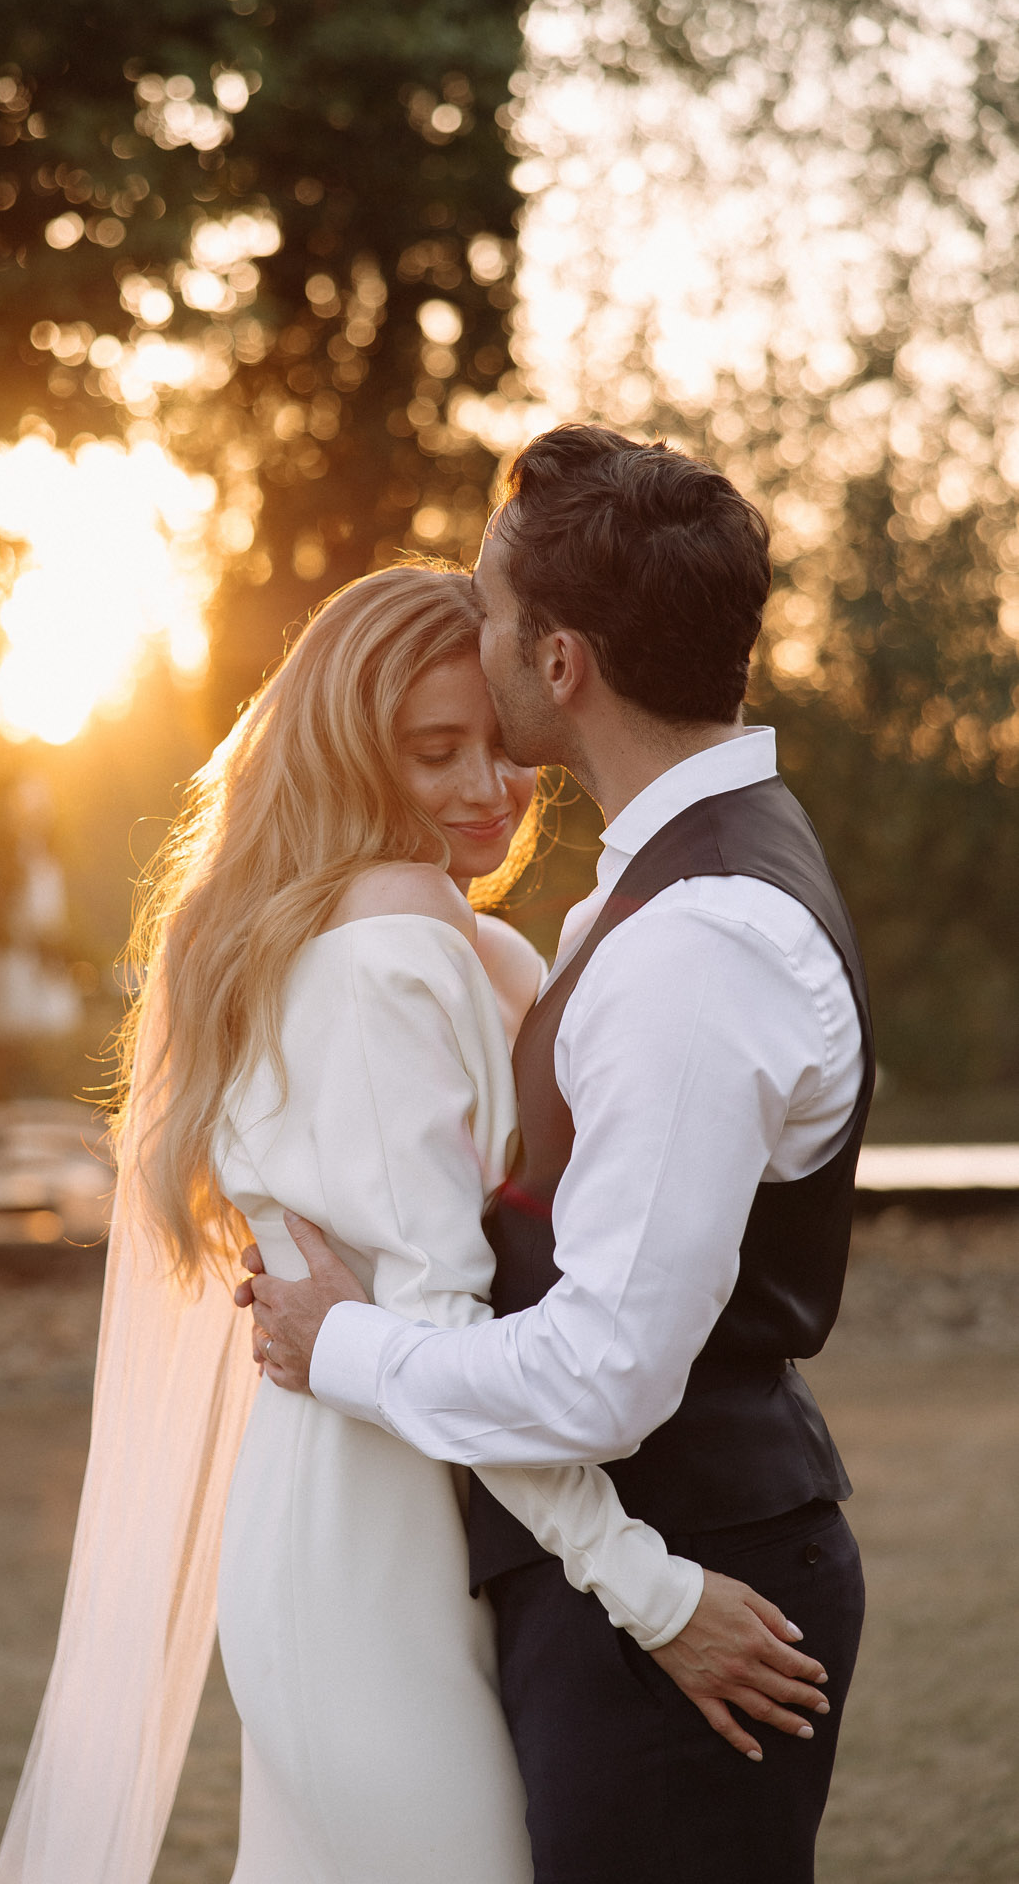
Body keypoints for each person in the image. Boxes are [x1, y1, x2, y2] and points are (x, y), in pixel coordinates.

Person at [0, 559, 827, 1884]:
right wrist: (652, 1592)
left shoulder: (464, 939)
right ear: (345, 755)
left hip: (424, 1511)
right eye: (433, 754)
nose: (485, 791)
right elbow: (440, 1323)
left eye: (500, 752)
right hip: (360, 1542)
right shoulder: (388, 952)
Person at [246, 426, 870, 1884]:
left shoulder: (694, 945)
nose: (473, 628)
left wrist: (337, 1345)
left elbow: (600, 1373)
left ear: (560, 663)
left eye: (490, 608)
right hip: (624, 1569)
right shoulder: (636, 905)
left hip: (693, 1579)